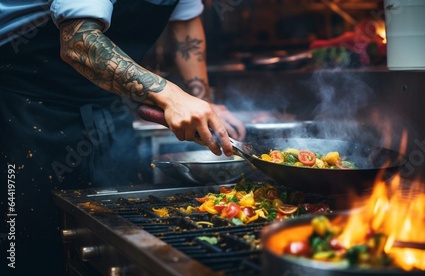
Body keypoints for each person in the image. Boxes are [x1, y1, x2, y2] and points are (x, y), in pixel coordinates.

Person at [0, 1, 245, 275]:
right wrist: (173, 96)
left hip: (106, 105)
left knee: (116, 235)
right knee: (28, 244)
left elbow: (186, 25)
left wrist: (202, 104)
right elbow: (79, 44)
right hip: (27, 105)